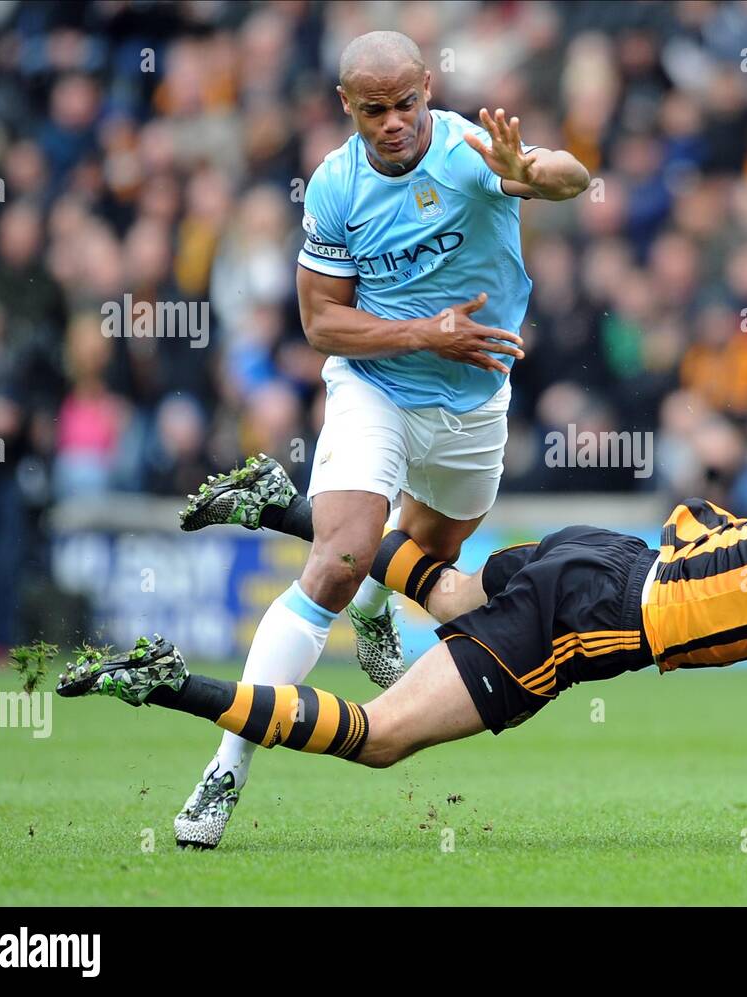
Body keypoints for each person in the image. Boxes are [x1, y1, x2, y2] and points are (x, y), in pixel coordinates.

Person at [58, 431, 747, 841]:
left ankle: (279, 501)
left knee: (452, 602)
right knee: (380, 736)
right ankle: (167, 686)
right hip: (596, 617)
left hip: (605, 558)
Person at [170, 29, 589, 848]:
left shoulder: (474, 149)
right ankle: (227, 766)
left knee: (424, 556)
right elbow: (321, 320)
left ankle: (373, 612)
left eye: (405, 104)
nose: (393, 122)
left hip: (474, 406)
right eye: (374, 110)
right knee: (339, 556)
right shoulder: (332, 186)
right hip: (378, 391)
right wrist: (425, 333)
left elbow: (576, 177)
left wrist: (531, 172)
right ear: (346, 106)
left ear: (426, 89)